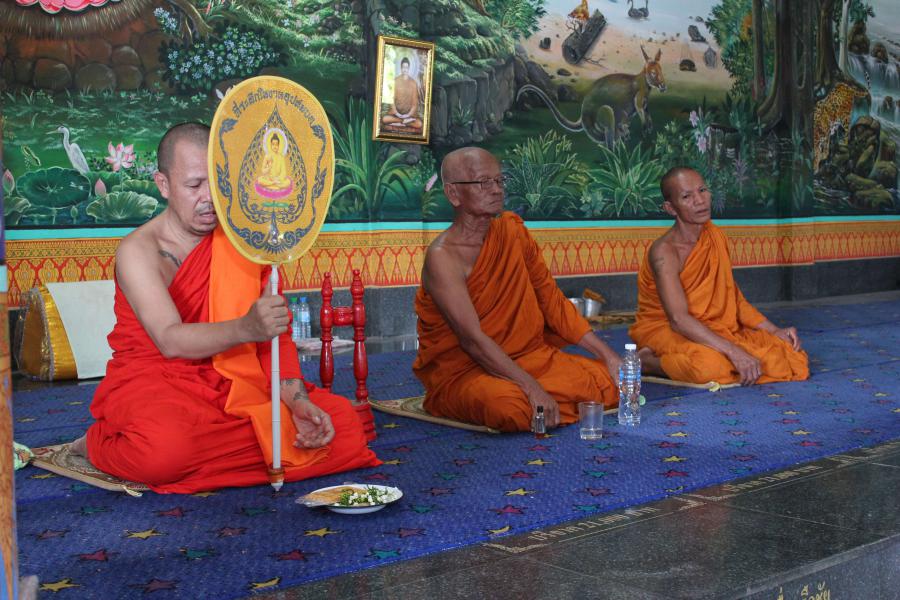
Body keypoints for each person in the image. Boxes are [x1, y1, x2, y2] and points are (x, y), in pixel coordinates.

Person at [69, 123, 379, 493]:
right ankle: (96, 443)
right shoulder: (138, 251)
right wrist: (246, 328)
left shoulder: (246, 242)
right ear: (163, 184)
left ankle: (230, 448)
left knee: (344, 424)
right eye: (194, 185)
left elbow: (274, 337)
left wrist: (296, 402)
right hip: (159, 380)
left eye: (218, 183)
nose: (209, 198)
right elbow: (170, 340)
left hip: (236, 377)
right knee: (165, 454)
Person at [413, 147, 621, 432]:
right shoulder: (443, 257)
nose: (496, 190)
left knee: (609, 382)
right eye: (483, 182)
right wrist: (532, 388)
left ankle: (550, 398)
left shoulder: (512, 232)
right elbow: (472, 340)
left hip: (528, 357)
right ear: (453, 194)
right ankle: (542, 398)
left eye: (500, 180)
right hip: (468, 370)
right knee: (510, 407)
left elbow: (551, 300)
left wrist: (608, 355)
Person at [630, 167, 809, 386]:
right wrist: (734, 352)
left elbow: (733, 297)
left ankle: (702, 355)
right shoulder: (665, 252)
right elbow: (678, 320)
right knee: (710, 367)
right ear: (670, 208)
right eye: (687, 196)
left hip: (709, 325)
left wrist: (774, 330)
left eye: (702, 190)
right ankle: (649, 362)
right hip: (664, 327)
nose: (699, 201)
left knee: (784, 354)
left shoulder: (714, 236)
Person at [381, 57, 423, 131]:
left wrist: (408, 115)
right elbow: (392, 100)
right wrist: (398, 114)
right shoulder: (395, 81)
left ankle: (400, 122)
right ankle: (402, 122)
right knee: (384, 119)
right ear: (401, 68)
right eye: (403, 67)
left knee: (419, 123)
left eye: (406, 67)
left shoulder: (413, 83)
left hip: (409, 116)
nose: (405, 69)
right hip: (396, 114)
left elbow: (414, 104)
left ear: (409, 68)